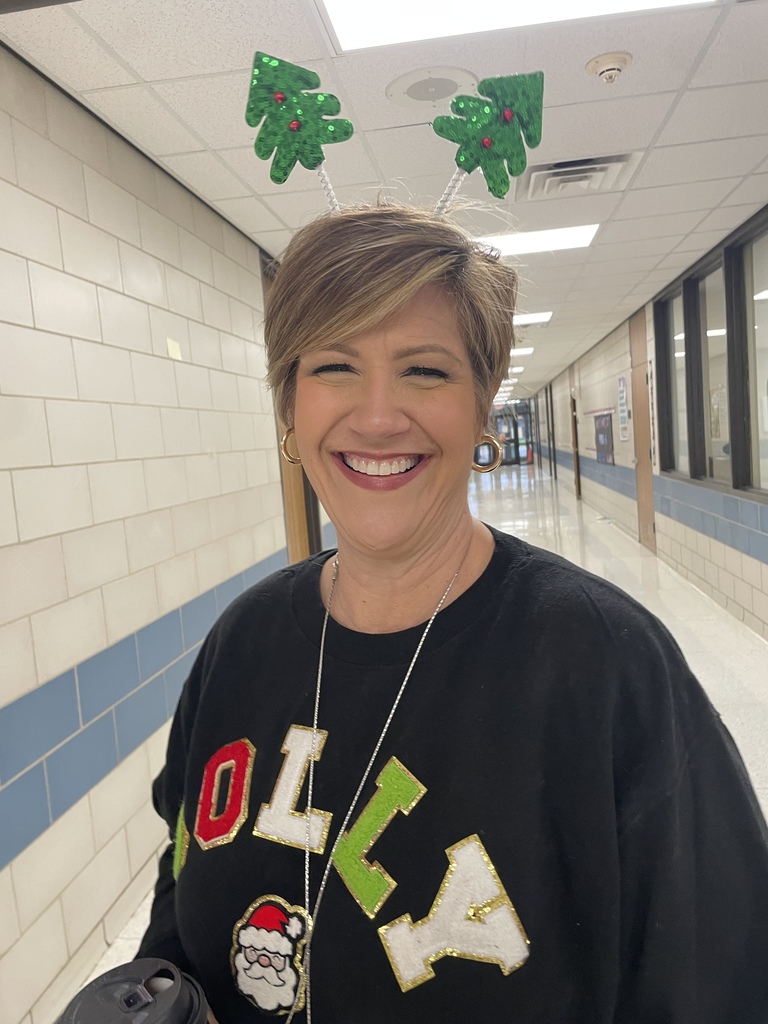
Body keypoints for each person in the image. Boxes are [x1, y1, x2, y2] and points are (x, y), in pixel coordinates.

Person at [138, 205, 768, 1023]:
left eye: (424, 371)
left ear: (481, 408)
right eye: (333, 365)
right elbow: (179, 886)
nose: (375, 416)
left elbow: (720, 976)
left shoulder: (600, 661)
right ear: (289, 407)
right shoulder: (242, 643)